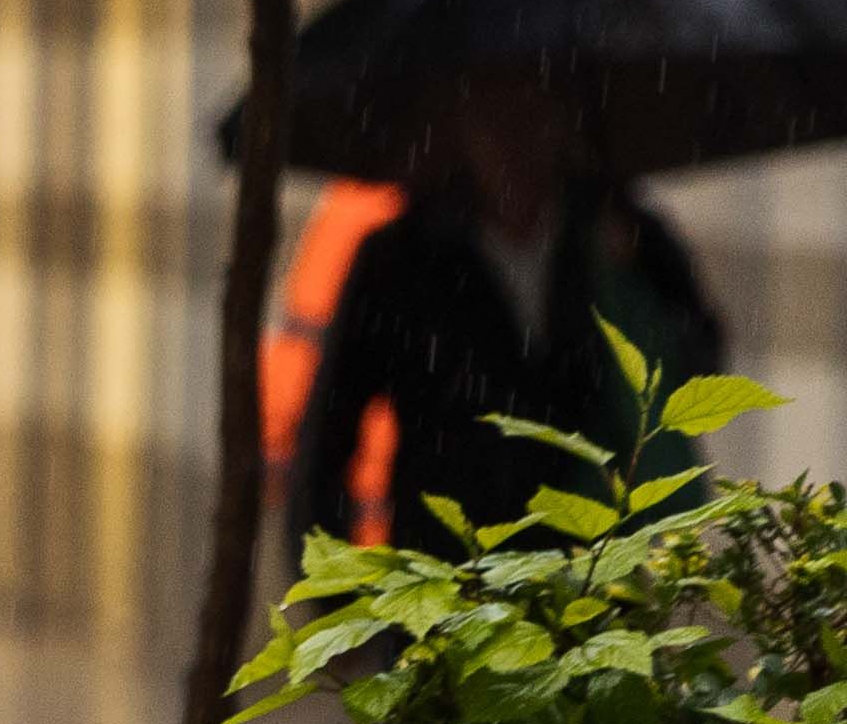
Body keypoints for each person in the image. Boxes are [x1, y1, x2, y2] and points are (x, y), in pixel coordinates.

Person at [290, 78, 726, 562]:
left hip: (597, 575)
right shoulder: (403, 255)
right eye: (491, 112)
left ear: (564, 120)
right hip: (449, 576)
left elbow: (700, 364)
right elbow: (329, 437)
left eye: (533, 110)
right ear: (457, 124)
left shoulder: (621, 231)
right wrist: (340, 602)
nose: (514, 137)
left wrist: (633, 292)